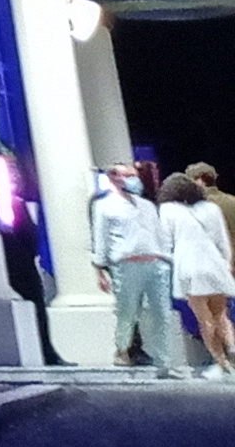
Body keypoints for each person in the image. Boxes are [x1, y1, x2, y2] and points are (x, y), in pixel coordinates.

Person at [94, 162, 182, 379]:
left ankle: (164, 362)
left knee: (162, 313)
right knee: (127, 313)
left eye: (133, 175)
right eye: (127, 175)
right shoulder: (104, 206)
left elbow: (160, 234)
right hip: (126, 265)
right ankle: (122, 351)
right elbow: (101, 237)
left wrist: (166, 259)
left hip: (156, 264)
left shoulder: (147, 206)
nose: (133, 180)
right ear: (114, 178)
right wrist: (100, 269)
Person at [165, 164, 235, 379]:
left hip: (189, 267)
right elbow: (223, 241)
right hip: (215, 265)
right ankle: (232, 350)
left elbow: (166, 242)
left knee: (205, 320)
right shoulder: (212, 208)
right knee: (221, 315)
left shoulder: (169, 210)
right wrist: (226, 265)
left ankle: (221, 363)